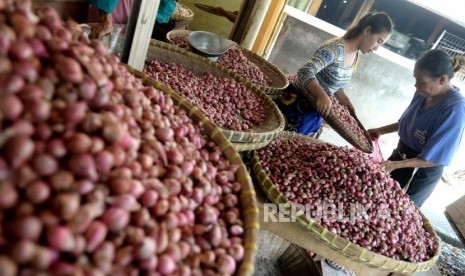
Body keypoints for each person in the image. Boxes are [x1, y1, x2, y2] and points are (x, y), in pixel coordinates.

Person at [368, 49, 465, 207]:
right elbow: (407, 122)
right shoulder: (422, 93)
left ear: (442, 80)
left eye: (422, 82)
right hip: (402, 154)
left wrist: (396, 165)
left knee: (402, 209)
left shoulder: (455, 109)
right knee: (377, 195)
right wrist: (380, 130)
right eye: (416, 80)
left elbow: (436, 158)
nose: (416, 86)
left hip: (425, 168)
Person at [276, 12, 393, 136]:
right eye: (378, 41)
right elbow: (305, 72)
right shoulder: (334, 49)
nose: (376, 48)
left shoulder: (355, 55)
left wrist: (347, 102)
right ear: (367, 31)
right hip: (296, 106)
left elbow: (333, 84)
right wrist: (322, 95)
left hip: (315, 112)